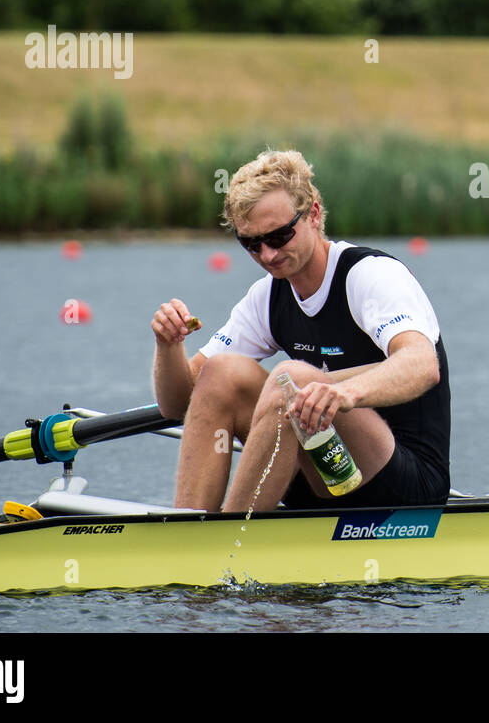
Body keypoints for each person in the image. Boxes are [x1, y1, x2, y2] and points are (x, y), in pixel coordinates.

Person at [151, 149, 450, 511]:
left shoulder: (369, 275)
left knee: (290, 380)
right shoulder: (267, 296)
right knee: (220, 374)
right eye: (251, 244)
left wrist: (343, 393)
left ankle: (227, 551)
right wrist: (168, 347)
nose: (268, 256)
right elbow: (177, 405)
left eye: (279, 237)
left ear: (313, 214)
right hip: (322, 474)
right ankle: (186, 539)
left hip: (402, 482)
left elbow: (423, 365)